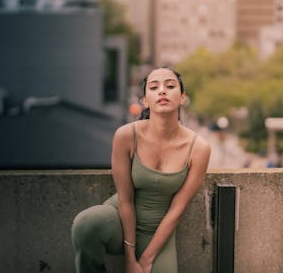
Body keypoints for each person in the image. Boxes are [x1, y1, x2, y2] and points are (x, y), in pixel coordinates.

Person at [71, 67, 211, 273]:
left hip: (158, 232)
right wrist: (130, 259)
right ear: (145, 100)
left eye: (170, 86)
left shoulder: (199, 148)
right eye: (154, 87)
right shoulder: (126, 136)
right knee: (86, 224)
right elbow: (125, 200)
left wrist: (146, 260)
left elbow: (176, 210)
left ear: (182, 97)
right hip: (119, 220)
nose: (162, 91)